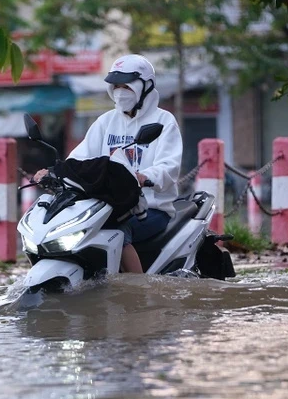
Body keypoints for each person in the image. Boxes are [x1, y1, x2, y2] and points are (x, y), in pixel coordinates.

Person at [34, 54, 183, 273]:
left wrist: (145, 176)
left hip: (151, 208)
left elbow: (170, 166)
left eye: (127, 86)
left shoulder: (163, 121)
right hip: (108, 205)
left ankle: (138, 291)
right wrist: (56, 172)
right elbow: (80, 159)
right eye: (116, 86)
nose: (120, 91)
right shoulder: (106, 121)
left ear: (146, 86)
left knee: (115, 232)